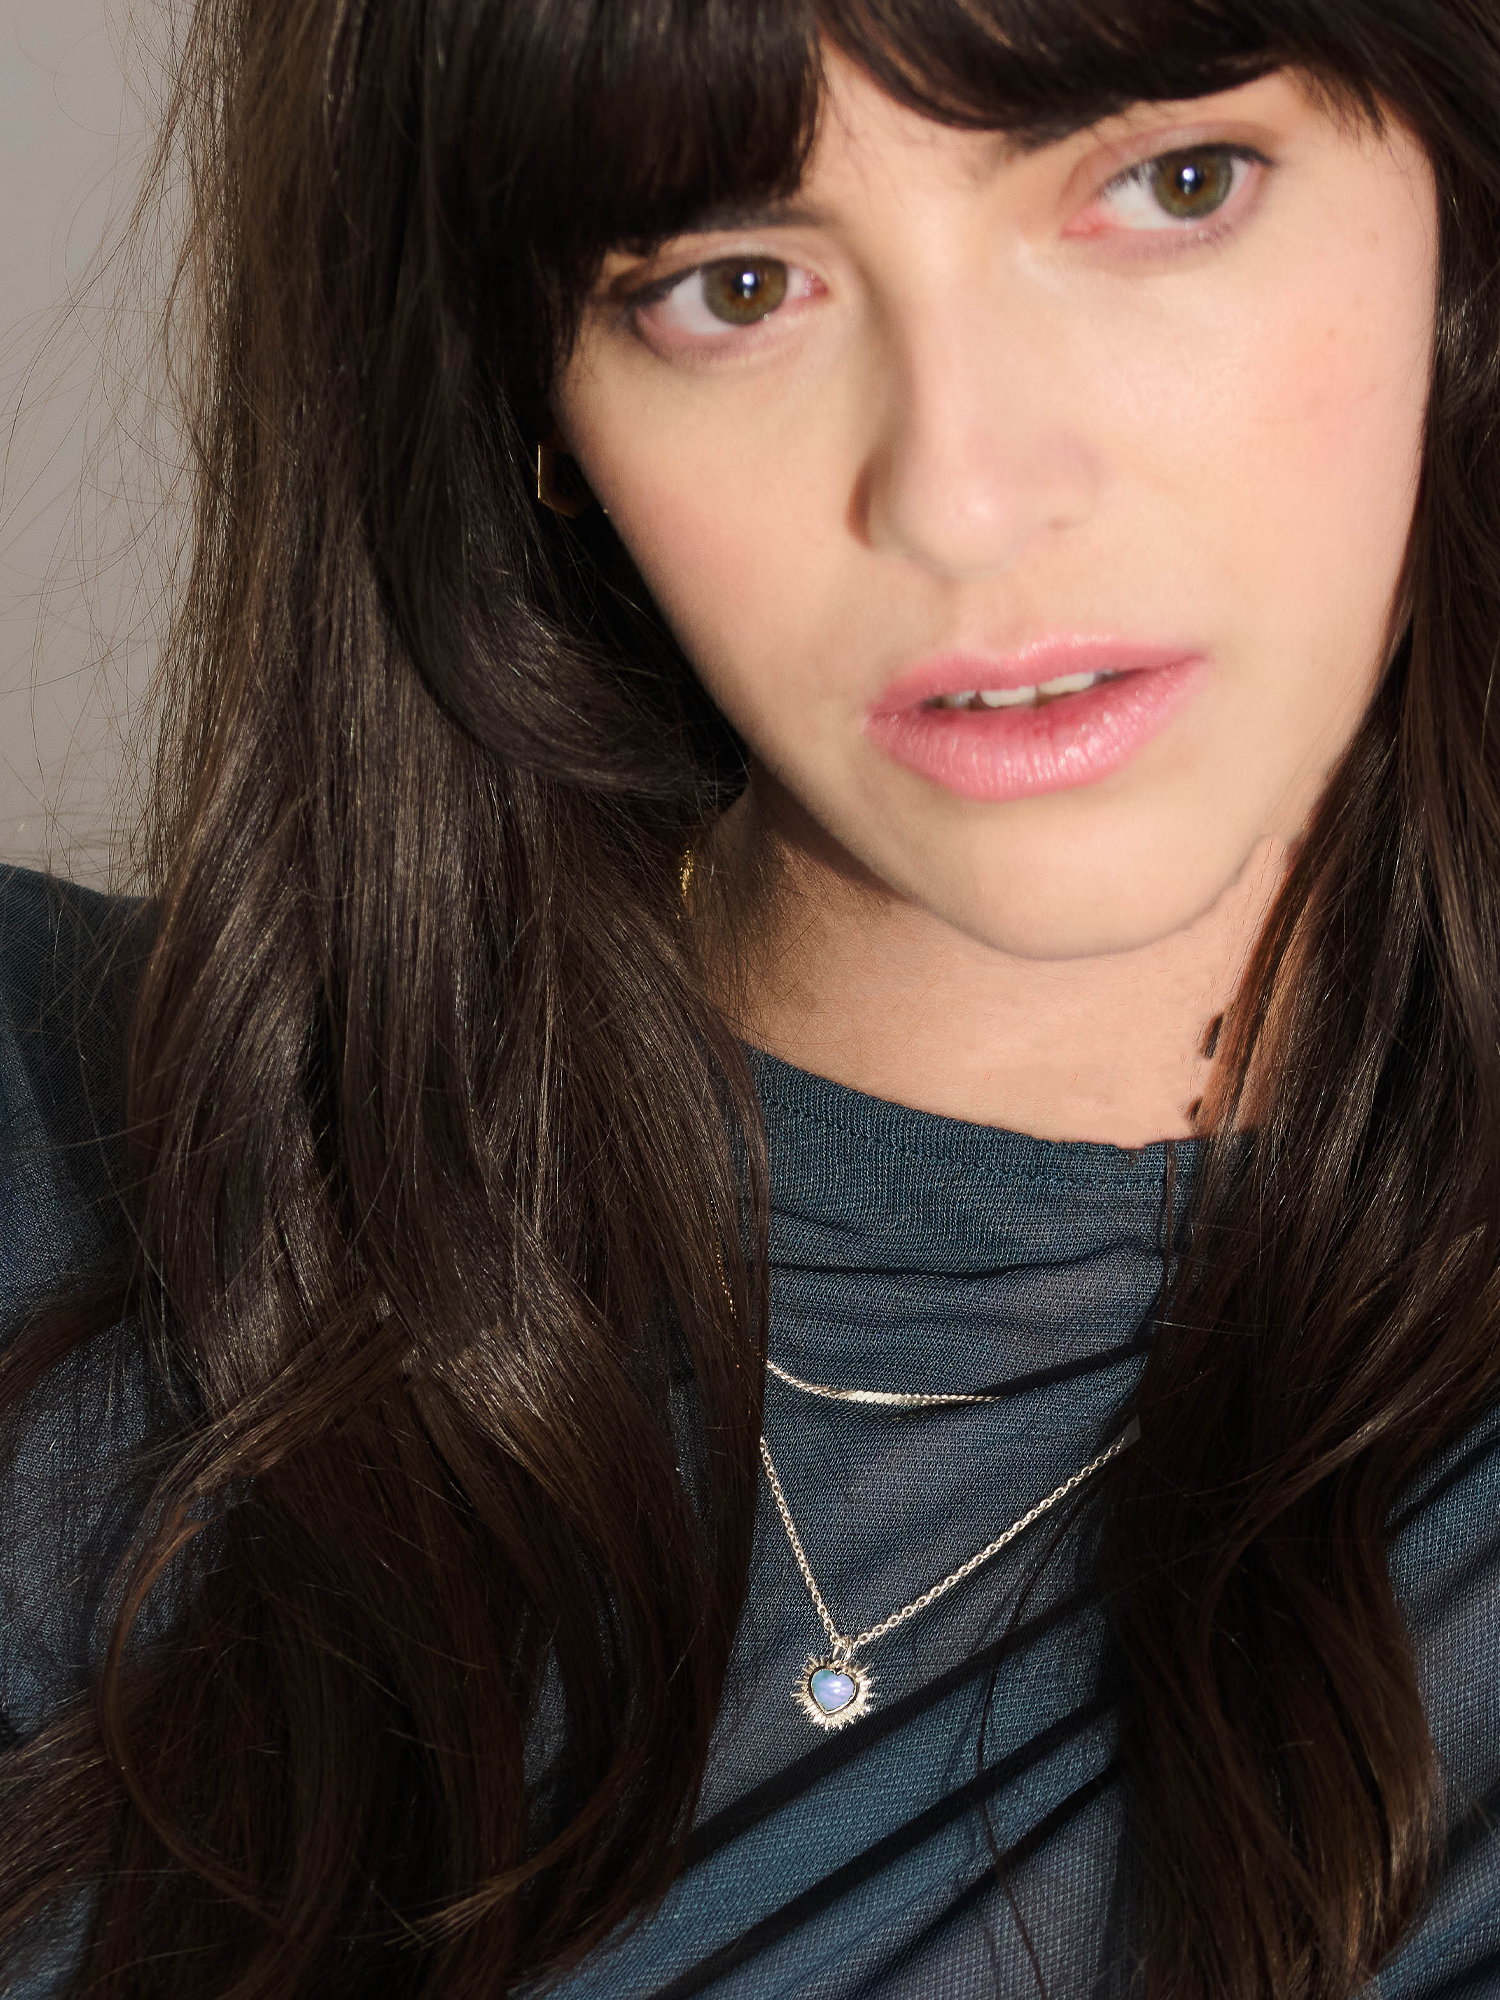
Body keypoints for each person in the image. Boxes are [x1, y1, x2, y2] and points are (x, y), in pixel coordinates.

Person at [0, 0, 1497, 1993]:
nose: (963, 494)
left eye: (1173, 184)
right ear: (532, 394)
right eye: (735, 286)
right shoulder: (54, 1155)